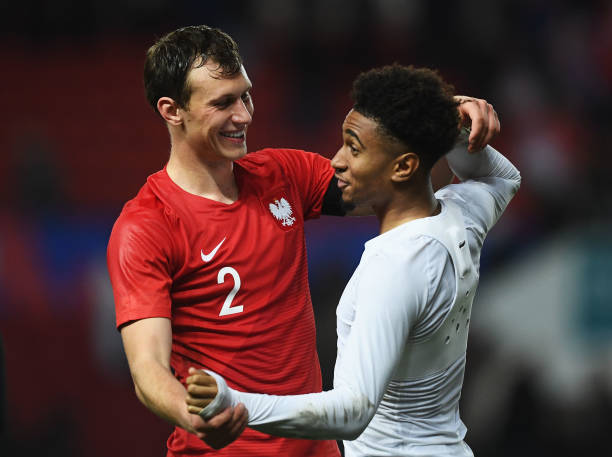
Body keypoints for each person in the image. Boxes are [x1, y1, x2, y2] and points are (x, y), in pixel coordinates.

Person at [106, 24, 503, 457]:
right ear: (171, 110)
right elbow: (147, 369)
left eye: (246, 95)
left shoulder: (283, 175)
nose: (244, 115)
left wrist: (444, 117)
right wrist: (192, 414)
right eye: (223, 103)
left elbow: (393, 178)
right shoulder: (145, 227)